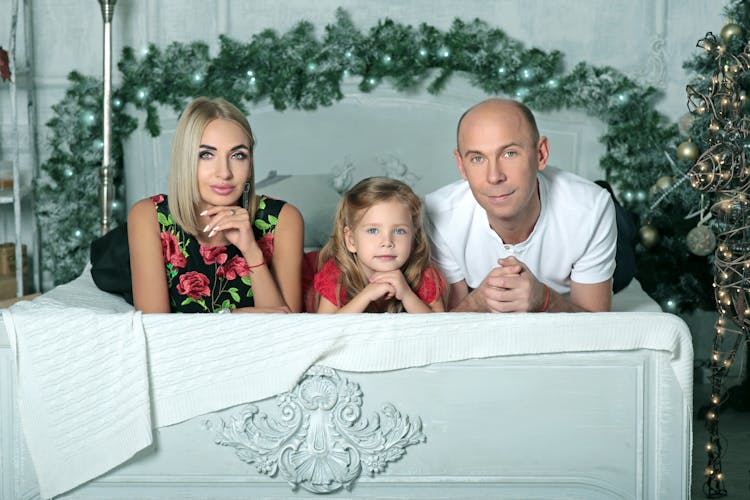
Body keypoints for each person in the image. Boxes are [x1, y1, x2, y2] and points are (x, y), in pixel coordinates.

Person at [425, 98, 616, 313]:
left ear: (540, 154)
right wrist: (478, 301)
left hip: (592, 235)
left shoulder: (591, 209)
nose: (494, 176)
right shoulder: (438, 214)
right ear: (461, 165)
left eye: (509, 153)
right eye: (478, 158)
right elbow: (450, 322)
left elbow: (596, 324)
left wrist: (544, 300)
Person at [127, 97, 304, 313]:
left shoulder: (284, 219)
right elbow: (156, 330)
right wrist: (230, 316)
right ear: (186, 160)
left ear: (250, 165)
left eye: (238, 155)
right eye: (207, 155)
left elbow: (290, 332)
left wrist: (251, 251)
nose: (225, 172)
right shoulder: (149, 217)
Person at [314, 177, 445, 313]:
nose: (387, 242)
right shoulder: (338, 274)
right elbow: (326, 329)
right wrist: (365, 296)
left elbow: (441, 326)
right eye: (373, 230)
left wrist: (407, 295)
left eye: (400, 231)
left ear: (413, 237)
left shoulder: (423, 273)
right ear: (351, 240)